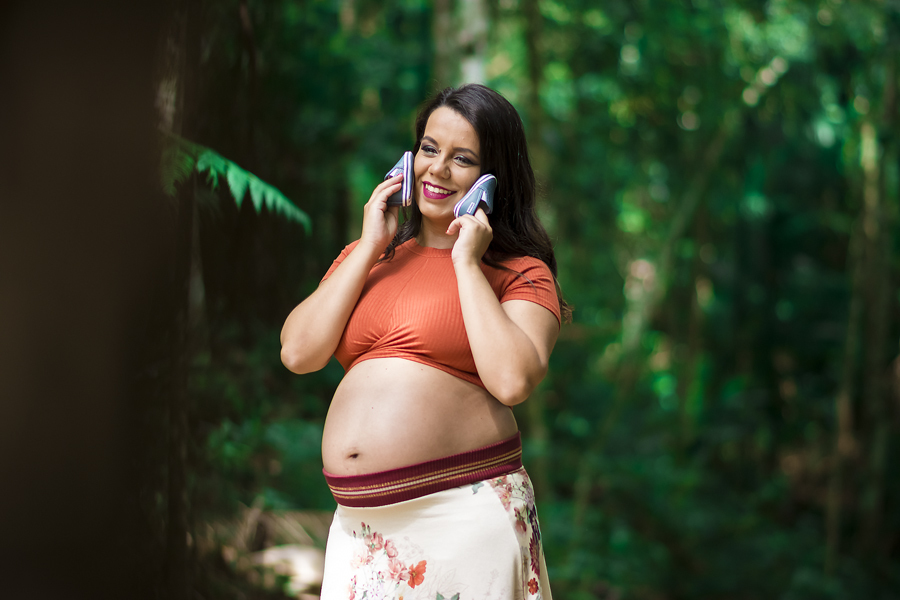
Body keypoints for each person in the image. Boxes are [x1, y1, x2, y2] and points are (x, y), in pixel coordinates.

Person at [280, 83, 569, 600]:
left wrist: (465, 261)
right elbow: (298, 353)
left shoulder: (520, 272)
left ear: (493, 178)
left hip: (463, 519)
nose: (436, 169)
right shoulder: (370, 256)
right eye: (430, 149)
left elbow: (514, 380)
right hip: (359, 534)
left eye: (463, 159)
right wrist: (370, 243)